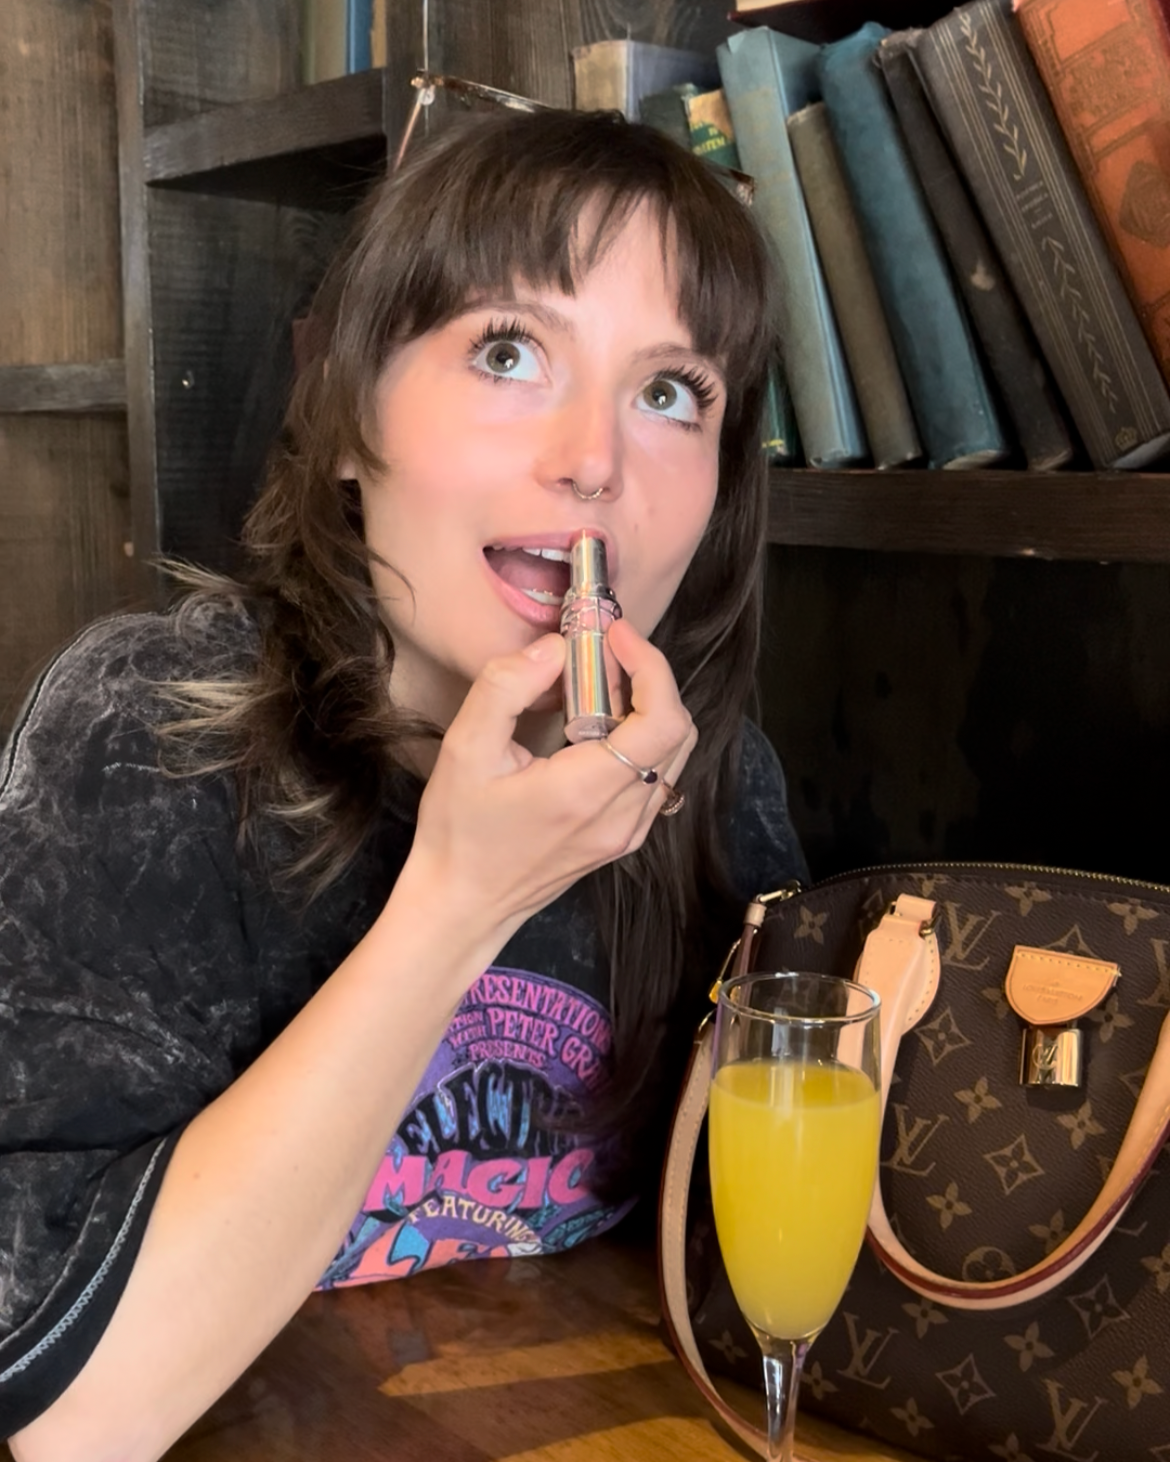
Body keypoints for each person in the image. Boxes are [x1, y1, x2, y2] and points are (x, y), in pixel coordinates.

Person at [0, 106, 807, 1460]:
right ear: (347, 427)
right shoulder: (148, 738)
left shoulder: (714, 782)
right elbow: (66, 1413)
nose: (594, 457)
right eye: (508, 351)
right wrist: (459, 899)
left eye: (672, 391)